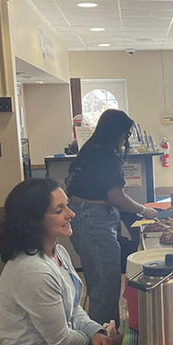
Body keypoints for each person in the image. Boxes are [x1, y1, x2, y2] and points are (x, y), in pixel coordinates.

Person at [0, 178, 121, 345]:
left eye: (67, 206)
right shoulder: (32, 270)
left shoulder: (57, 252)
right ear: (34, 220)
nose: (71, 214)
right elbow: (61, 339)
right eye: (59, 210)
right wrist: (93, 338)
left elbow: (74, 309)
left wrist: (95, 330)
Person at [65, 109, 158, 325]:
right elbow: (116, 196)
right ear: (118, 132)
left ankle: (105, 336)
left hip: (82, 217)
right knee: (105, 287)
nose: (125, 139)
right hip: (94, 220)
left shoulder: (90, 150)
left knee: (99, 283)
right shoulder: (107, 155)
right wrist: (143, 210)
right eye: (125, 134)